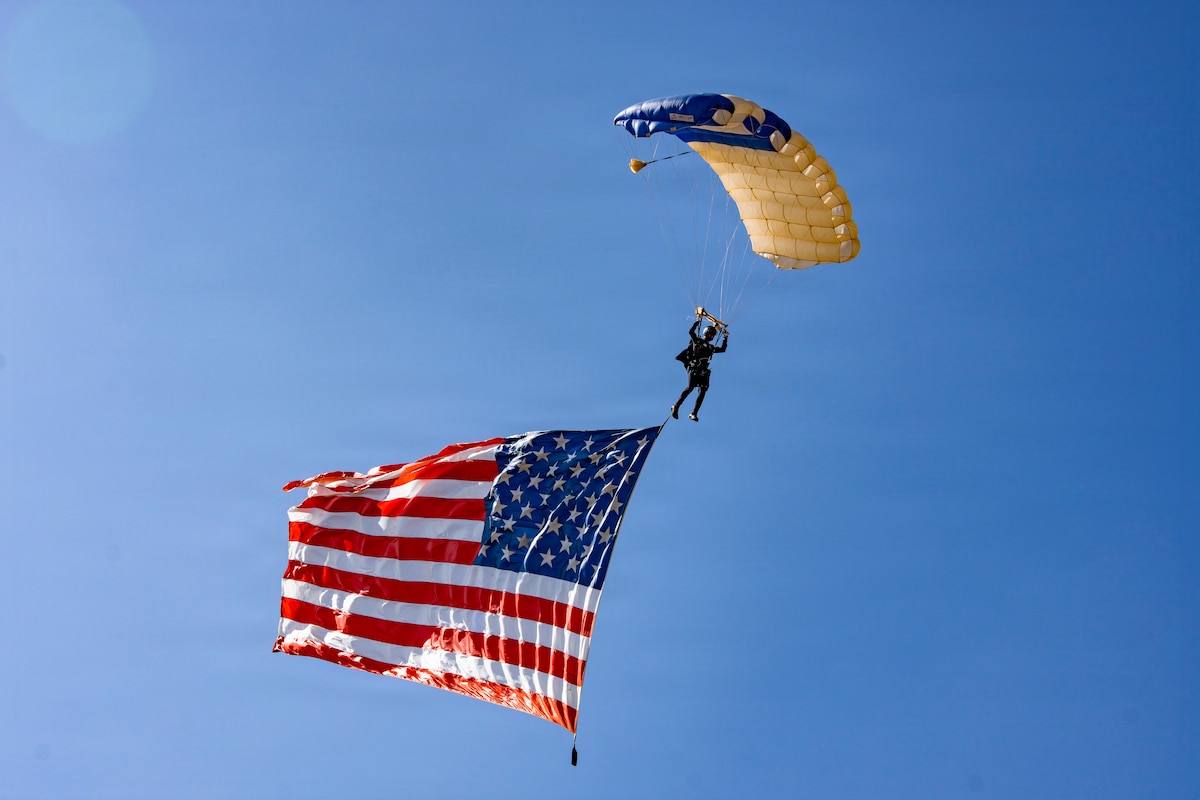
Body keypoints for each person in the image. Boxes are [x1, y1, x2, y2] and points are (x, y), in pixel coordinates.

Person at [671, 308, 728, 422]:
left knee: (703, 391)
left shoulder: (711, 348)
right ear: (706, 333)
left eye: (713, 335)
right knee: (690, 388)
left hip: (703, 372)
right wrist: (697, 321)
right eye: (710, 334)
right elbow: (691, 332)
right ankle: (676, 406)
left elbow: (723, 349)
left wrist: (725, 337)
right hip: (694, 369)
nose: (711, 336)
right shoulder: (697, 341)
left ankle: (694, 413)